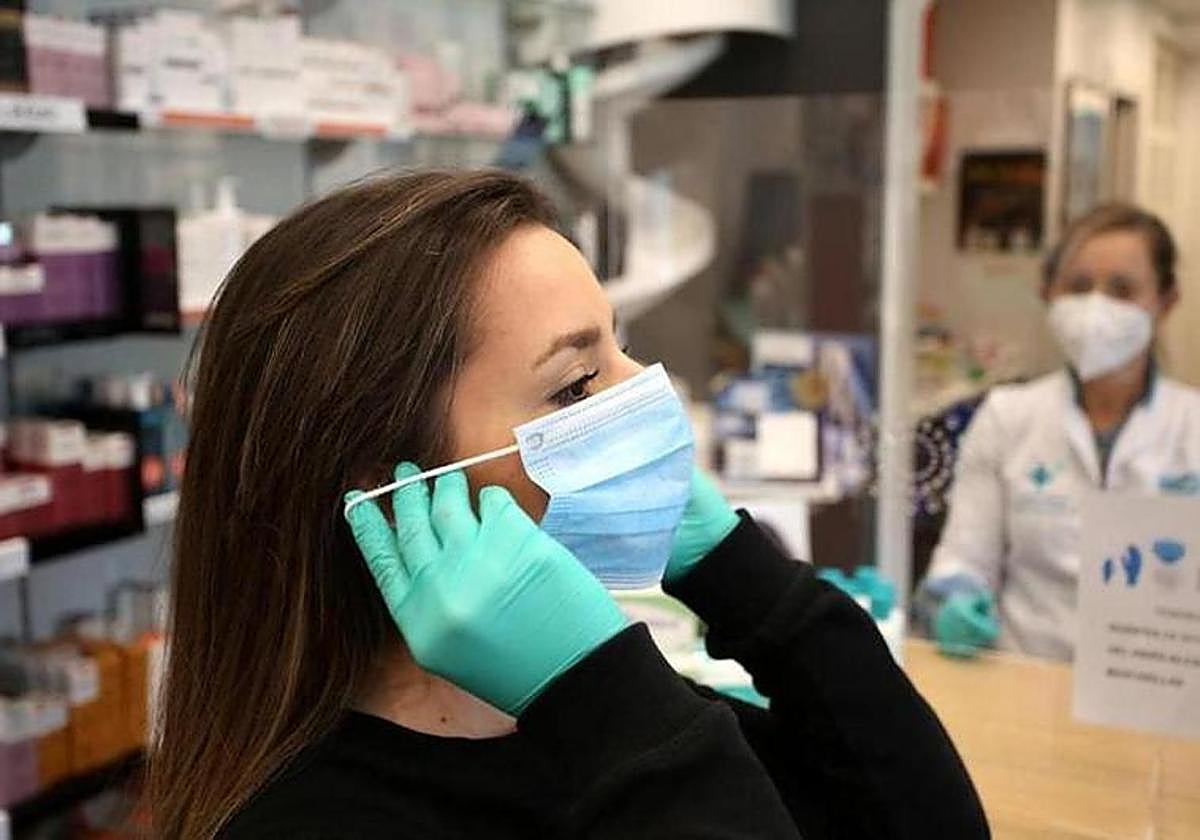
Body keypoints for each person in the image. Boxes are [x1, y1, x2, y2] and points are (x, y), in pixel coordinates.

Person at [149, 170, 988, 839]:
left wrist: (743, 578)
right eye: (577, 382)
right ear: (394, 493)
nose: (652, 395)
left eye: (624, 347)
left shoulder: (628, 719)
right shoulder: (319, 820)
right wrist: (603, 696)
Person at [920, 203, 1200, 661]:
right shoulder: (1008, 416)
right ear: (1049, 293)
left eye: (1122, 289)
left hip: (1161, 688)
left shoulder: (1192, 427)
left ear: (1166, 303)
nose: (1096, 306)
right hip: (1026, 675)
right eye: (1079, 286)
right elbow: (965, 558)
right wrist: (953, 601)